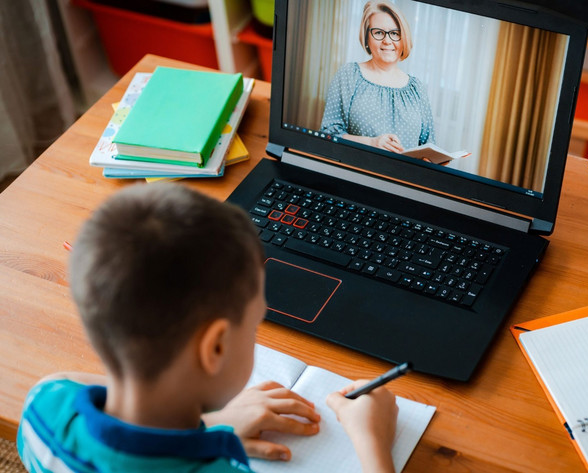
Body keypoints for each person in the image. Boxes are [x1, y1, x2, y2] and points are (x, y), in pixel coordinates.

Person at [16, 183, 399, 473]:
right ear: (214, 348)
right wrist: (373, 441)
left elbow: (62, 378)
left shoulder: (43, 409)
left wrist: (209, 425)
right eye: (255, 325)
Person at [320, 1, 435, 154]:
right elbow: (328, 134)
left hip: (402, 176)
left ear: (403, 38)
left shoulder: (417, 88)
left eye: (394, 33)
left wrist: (433, 159)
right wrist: (371, 142)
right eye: (379, 32)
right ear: (367, 37)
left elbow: (428, 144)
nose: (387, 41)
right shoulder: (348, 75)